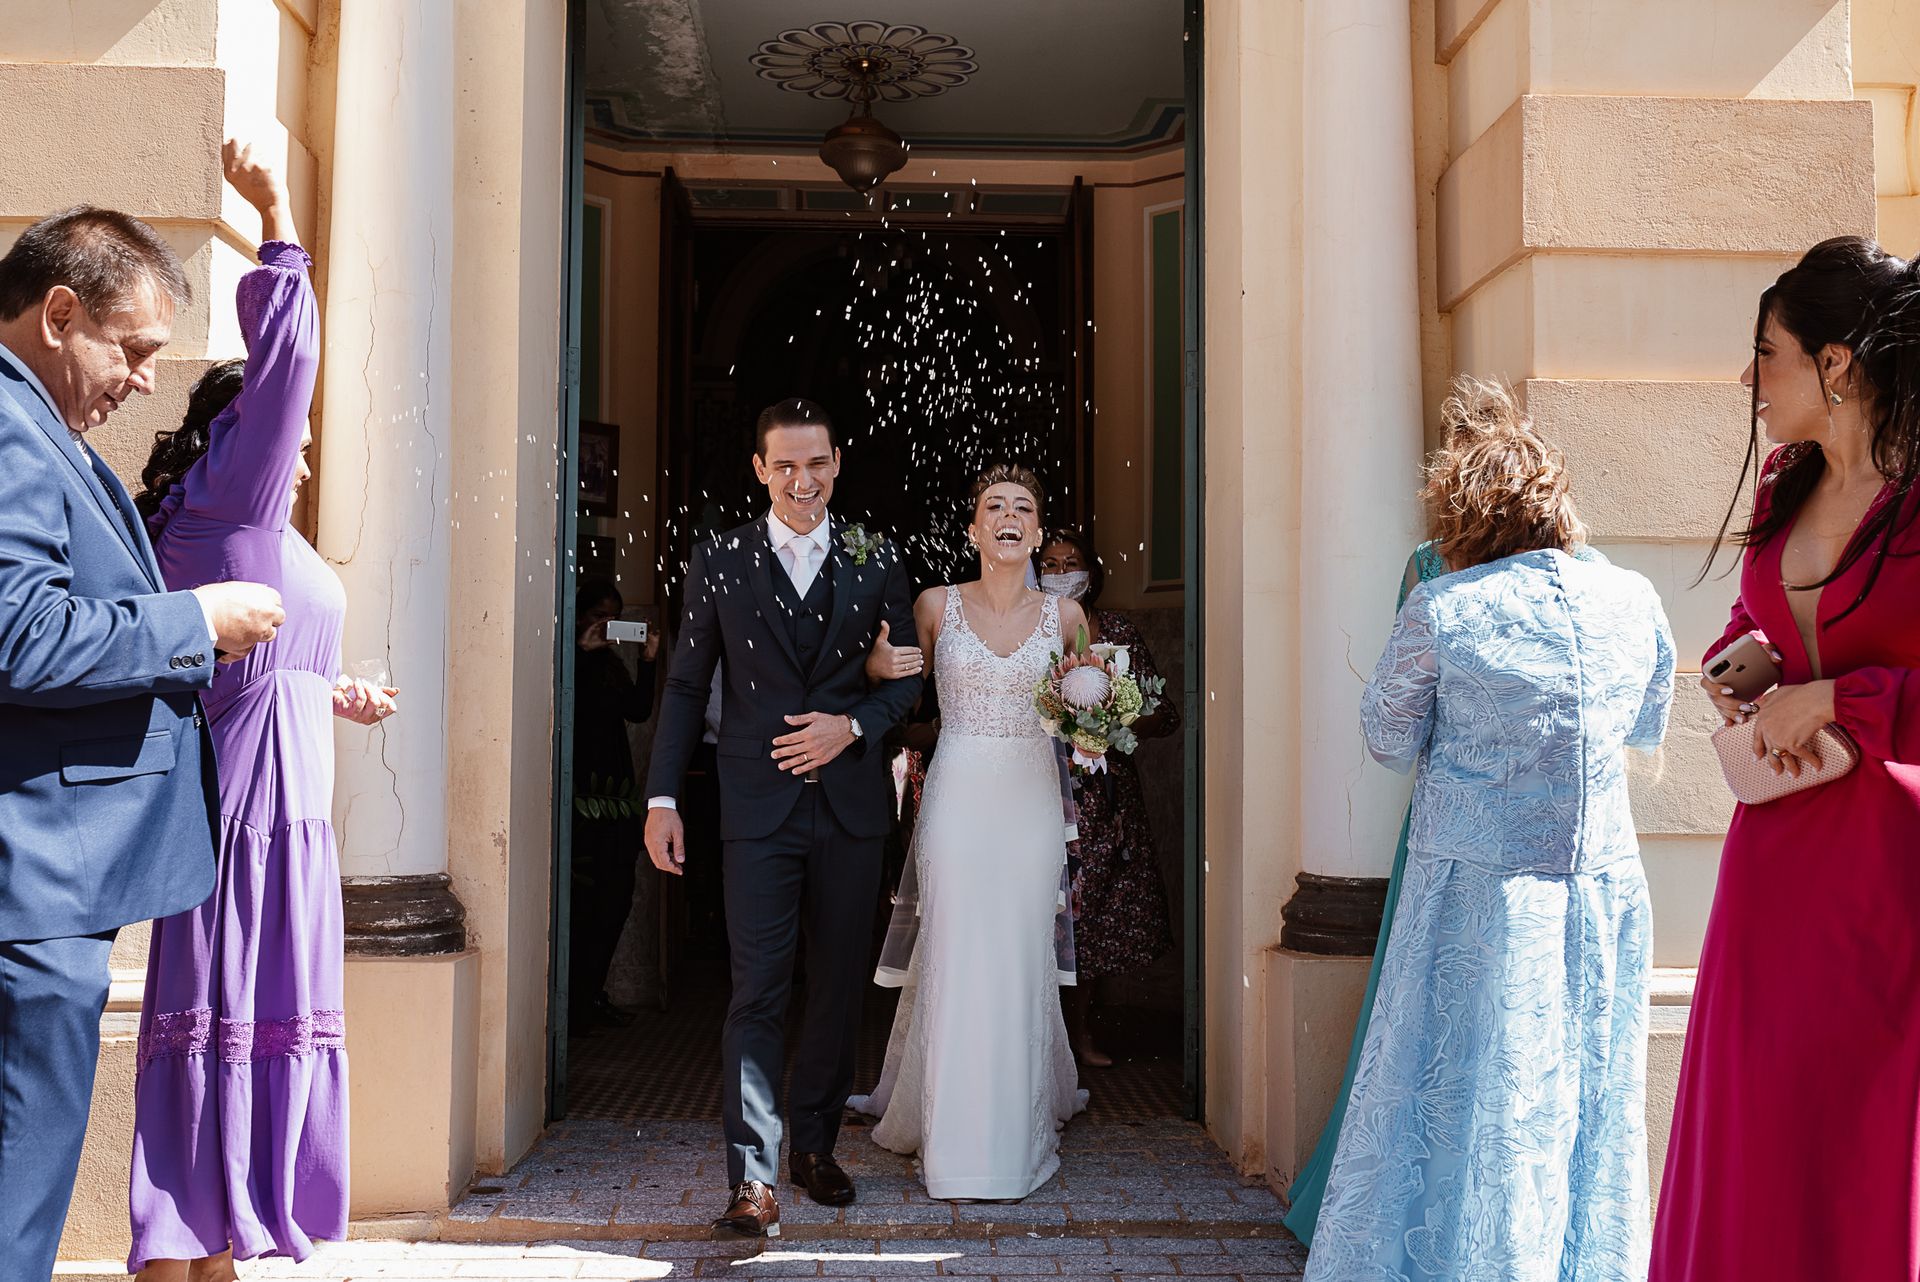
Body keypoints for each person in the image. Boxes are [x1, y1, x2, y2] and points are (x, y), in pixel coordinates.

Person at [1304, 378, 1674, 1282]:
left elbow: (1386, 736)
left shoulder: (1447, 606)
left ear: (1461, 515)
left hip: (1477, 894)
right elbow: (1644, 725)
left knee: (1474, 1098)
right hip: (1602, 890)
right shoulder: (1637, 598)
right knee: (1581, 1095)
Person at [127, 142, 394, 1281]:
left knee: (254, 1032)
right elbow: (288, 357)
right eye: (289, 433)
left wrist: (333, 690)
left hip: (291, 816)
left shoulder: (251, 533)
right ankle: (180, 1247)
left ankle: (219, 1244)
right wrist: (280, 213)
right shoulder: (229, 498)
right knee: (220, 1028)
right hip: (242, 823)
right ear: (242, 435)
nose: (305, 448)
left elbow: (245, 664)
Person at [0, 203, 283, 1280]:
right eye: (136, 349)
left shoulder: (39, 426)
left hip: (48, 885)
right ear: (60, 313)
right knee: (16, 1202)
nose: (146, 380)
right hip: (32, 893)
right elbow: (18, 635)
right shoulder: (11, 425)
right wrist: (194, 624)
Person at [1652, 238, 1920, 1280]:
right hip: (1770, 869)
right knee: (1756, 1127)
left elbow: (1858, 675)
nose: (1749, 378)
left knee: (1861, 1142)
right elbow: (1760, 615)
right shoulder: (1782, 487)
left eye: (1769, 353)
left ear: (1837, 366)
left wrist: (1840, 696)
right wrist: (1749, 659)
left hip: (1886, 882)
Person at [1283, 530, 1615, 1246]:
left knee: (1427, 1007)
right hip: (1565, 835)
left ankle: (1415, 1213)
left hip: (1456, 825)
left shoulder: (1434, 573)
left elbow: (1396, 722)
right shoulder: (1596, 576)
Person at [643, 397, 922, 1238]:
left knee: (837, 985)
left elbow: (906, 676)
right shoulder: (719, 558)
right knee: (757, 988)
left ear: (837, 464)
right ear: (761, 470)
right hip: (755, 809)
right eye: (787, 466)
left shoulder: (877, 554)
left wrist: (857, 726)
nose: (805, 481)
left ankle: (815, 1147)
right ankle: (753, 1177)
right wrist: (662, 798)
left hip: (850, 809)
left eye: (819, 463)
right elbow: (689, 686)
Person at [850, 464, 1091, 1201]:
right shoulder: (933, 605)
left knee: (1016, 957)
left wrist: (1097, 726)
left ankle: (1014, 1144)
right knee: (956, 951)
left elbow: (1086, 710)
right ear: (973, 529)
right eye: (995, 507)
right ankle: (953, 1147)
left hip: (1031, 801)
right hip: (955, 792)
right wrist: (872, 663)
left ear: (1039, 533)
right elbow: (897, 695)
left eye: (1024, 507)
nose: (1009, 517)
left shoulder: (1068, 620)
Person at [1034, 528, 1177, 1066]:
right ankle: (1039, 1038)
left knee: (1092, 913)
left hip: (1105, 799)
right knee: (1044, 910)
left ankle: (1082, 1034)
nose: (1062, 570)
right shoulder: (1026, 627)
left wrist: (1119, 715)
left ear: (1092, 571)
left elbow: (1165, 714)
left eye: (1072, 561)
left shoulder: (1117, 629)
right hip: (1041, 785)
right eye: (1050, 562)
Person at [570, 574, 659, 1032]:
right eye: (597, 616)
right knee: (584, 903)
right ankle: (574, 1002)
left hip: (617, 798)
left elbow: (638, 710)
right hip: (582, 800)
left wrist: (647, 660)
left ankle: (591, 993)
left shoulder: (608, 665)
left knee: (615, 898)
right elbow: (570, 711)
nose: (606, 626)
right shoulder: (569, 663)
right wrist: (580, 652)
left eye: (613, 618)